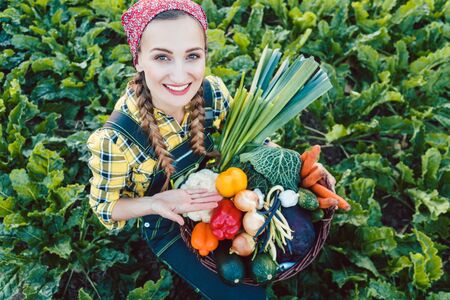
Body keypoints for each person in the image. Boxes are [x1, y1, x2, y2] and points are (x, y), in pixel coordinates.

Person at [86, 0, 335, 299]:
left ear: (205, 54)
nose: (179, 76)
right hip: (168, 221)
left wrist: (296, 166)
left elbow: (248, 142)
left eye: (192, 55)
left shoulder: (212, 92)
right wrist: (155, 203)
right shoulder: (117, 139)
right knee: (243, 294)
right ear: (137, 59)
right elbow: (106, 208)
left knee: (269, 258)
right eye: (162, 57)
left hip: (224, 192)